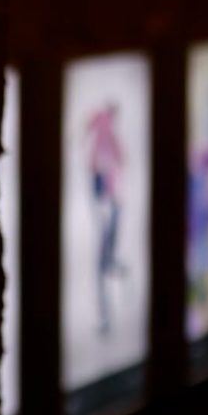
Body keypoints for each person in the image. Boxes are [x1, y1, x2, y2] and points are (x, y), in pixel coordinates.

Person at [86, 101, 125, 335]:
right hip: (104, 189)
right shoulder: (105, 124)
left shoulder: (103, 124)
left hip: (105, 190)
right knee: (108, 226)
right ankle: (107, 259)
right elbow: (109, 157)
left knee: (112, 219)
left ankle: (108, 258)